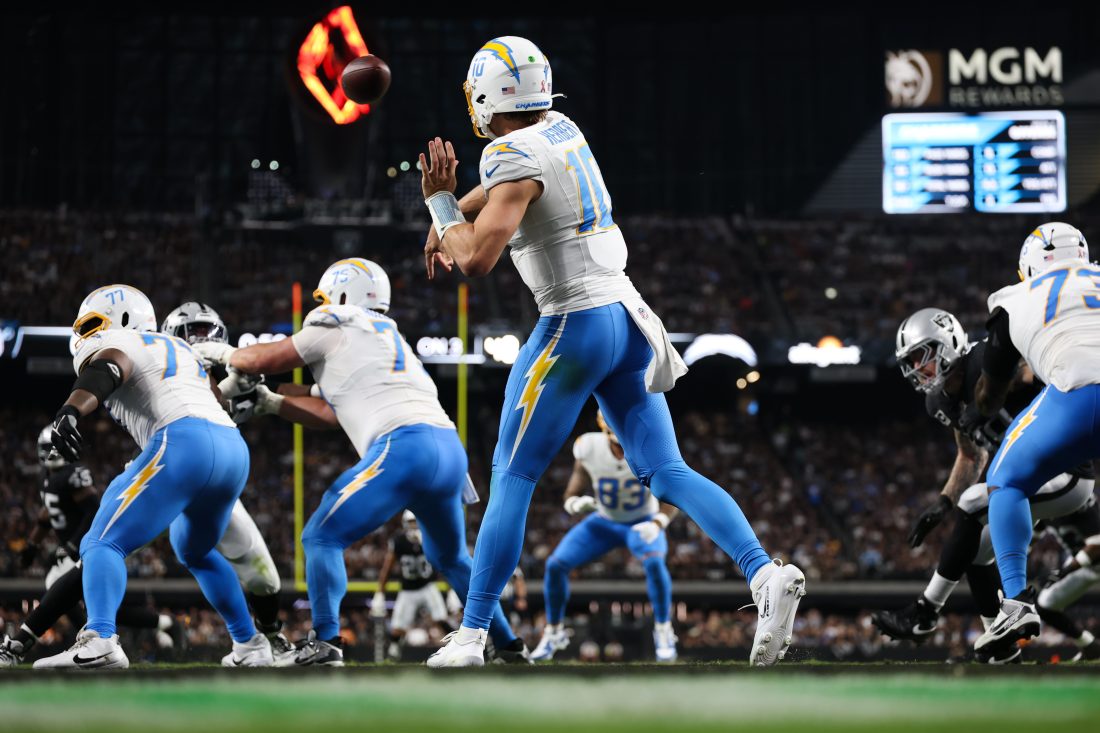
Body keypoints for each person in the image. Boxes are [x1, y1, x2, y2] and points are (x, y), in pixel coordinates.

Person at [420, 36, 804, 668]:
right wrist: (451, 215)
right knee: (666, 471)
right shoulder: (562, 128)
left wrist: (438, 204)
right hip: (628, 316)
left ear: (488, 96)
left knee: (512, 476)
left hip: (573, 321)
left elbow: (476, 257)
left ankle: (471, 636)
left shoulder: (506, 151)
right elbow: (507, 192)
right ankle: (763, 575)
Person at [194, 258, 524, 665]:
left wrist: (226, 352)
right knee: (451, 556)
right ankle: (509, 645)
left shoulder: (335, 319)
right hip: (448, 450)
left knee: (321, 536)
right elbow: (333, 410)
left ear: (342, 293)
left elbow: (259, 360)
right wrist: (273, 401)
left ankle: (327, 640)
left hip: (404, 447)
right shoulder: (385, 336)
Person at [35, 284, 272, 669]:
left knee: (101, 541)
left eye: (93, 323)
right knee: (194, 550)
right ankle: (250, 644)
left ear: (124, 319)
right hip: (232, 449)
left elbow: (110, 366)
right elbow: (218, 400)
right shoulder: (180, 349)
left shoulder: (123, 341)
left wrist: (71, 410)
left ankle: (101, 640)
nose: (87, 334)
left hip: (184, 442)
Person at [874, 308, 1098, 662]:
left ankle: (925, 610)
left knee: (975, 501)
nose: (917, 369)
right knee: (977, 552)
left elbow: (1030, 369)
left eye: (922, 357)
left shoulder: (984, 358)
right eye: (911, 362)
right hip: (1022, 481)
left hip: (1068, 472)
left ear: (947, 345)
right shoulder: (940, 401)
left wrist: (988, 395)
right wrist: (943, 502)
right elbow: (970, 456)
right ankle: (1002, 643)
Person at [965, 223, 1100, 655]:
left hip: (1076, 395)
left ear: (1028, 267)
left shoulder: (1015, 298)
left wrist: (974, 413)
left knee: (1007, 478)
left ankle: (1018, 602)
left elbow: (991, 390)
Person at [160, 302, 293, 664]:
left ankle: (267, 638)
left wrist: (264, 396)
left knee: (265, 580)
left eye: (207, 331)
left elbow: (286, 390)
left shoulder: (230, 381)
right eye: (193, 332)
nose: (200, 339)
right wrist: (233, 378)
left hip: (215, 486)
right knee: (105, 546)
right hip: (167, 480)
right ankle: (95, 631)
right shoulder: (158, 374)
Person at [0, 428, 178, 666]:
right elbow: (48, 513)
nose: (54, 454)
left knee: (68, 587)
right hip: (88, 547)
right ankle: (149, 627)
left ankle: (92, 641)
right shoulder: (48, 478)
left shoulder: (73, 474)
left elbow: (93, 509)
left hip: (92, 545)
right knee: (103, 604)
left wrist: (73, 544)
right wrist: (33, 543)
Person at [531, 411, 679, 662]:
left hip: (642, 521)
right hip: (604, 521)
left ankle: (664, 630)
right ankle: (554, 632)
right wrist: (575, 504)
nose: (622, 447)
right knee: (555, 565)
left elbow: (674, 492)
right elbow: (571, 492)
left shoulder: (651, 444)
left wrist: (658, 522)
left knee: (655, 562)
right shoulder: (588, 446)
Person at [373, 511, 453, 660]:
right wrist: (380, 592)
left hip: (428, 585)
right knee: (397, 630)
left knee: (441, 618)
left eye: (416, 522)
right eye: (410, 522)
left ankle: (455, 647)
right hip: (407, 589)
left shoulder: (429, 538)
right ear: (404, 524)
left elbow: (442, 562)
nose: (413, 526)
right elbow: (388, 567)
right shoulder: (399, 540)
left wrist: (451, 590)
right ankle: (393, 655)